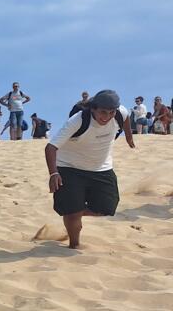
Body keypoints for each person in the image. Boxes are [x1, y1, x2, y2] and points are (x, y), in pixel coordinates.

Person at [45, 90, 134, 249]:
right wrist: (54, 173)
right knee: (72, 212)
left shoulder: (120, 113)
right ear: (93, 108)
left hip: (101, 168)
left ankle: (74, 211)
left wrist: (129, 137)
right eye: (102, 112)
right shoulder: (78, 121)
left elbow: (126, 119)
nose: (106, 117)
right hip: (70, 167)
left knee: (107, 208)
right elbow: (51, 147)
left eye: (111, 113)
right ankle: (74, 244)